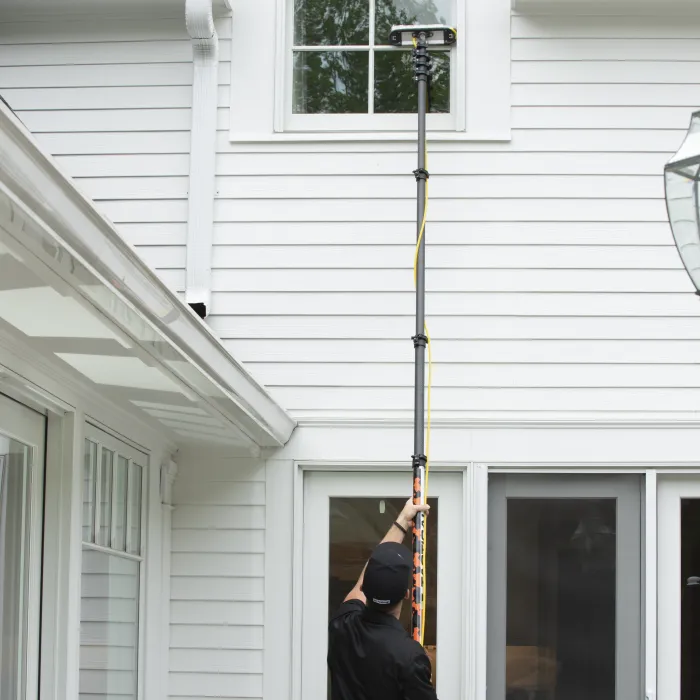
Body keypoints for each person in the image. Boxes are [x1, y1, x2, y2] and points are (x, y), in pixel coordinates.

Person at [327, 498, 438, 700]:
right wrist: (422, 675)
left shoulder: (342, 627)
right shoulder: (409, 656)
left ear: (363, 587)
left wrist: (402, 520)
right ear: (406, 594)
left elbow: (368, 574)